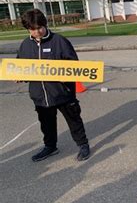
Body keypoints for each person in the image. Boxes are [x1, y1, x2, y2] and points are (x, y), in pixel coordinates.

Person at [17, 9, 90, 162]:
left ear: (45, 24)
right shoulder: (25, 45)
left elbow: (73, 64)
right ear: (27, 29)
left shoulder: (59, 41)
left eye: (39, 27)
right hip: (40, 95)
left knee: (74, 119)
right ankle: (50, 146)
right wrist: (18, 76)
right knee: (46, 123)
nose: (37, 32)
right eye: (33, 29)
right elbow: (20, 65)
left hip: (62, 92)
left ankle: (83, 145)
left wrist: (64, 75)